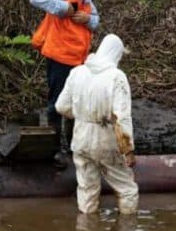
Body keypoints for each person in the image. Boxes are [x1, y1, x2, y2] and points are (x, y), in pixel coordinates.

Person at [30, 0, 110, 168]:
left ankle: (74, 147)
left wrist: (88, 19)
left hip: (78, 61)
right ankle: (54, 151)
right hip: (59, 59)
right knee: (56, 104)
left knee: (76, 104)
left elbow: (95, 20)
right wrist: (63, 8)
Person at [55, 34, 138, 214]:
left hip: (81, 138)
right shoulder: (117, 77)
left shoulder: (77, 72)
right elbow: (121, 117)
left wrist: (82, 116)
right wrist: (128, 150)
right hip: (106, 138)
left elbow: (61, 106)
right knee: (126, 190)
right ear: (116, 54)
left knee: (86, 190)